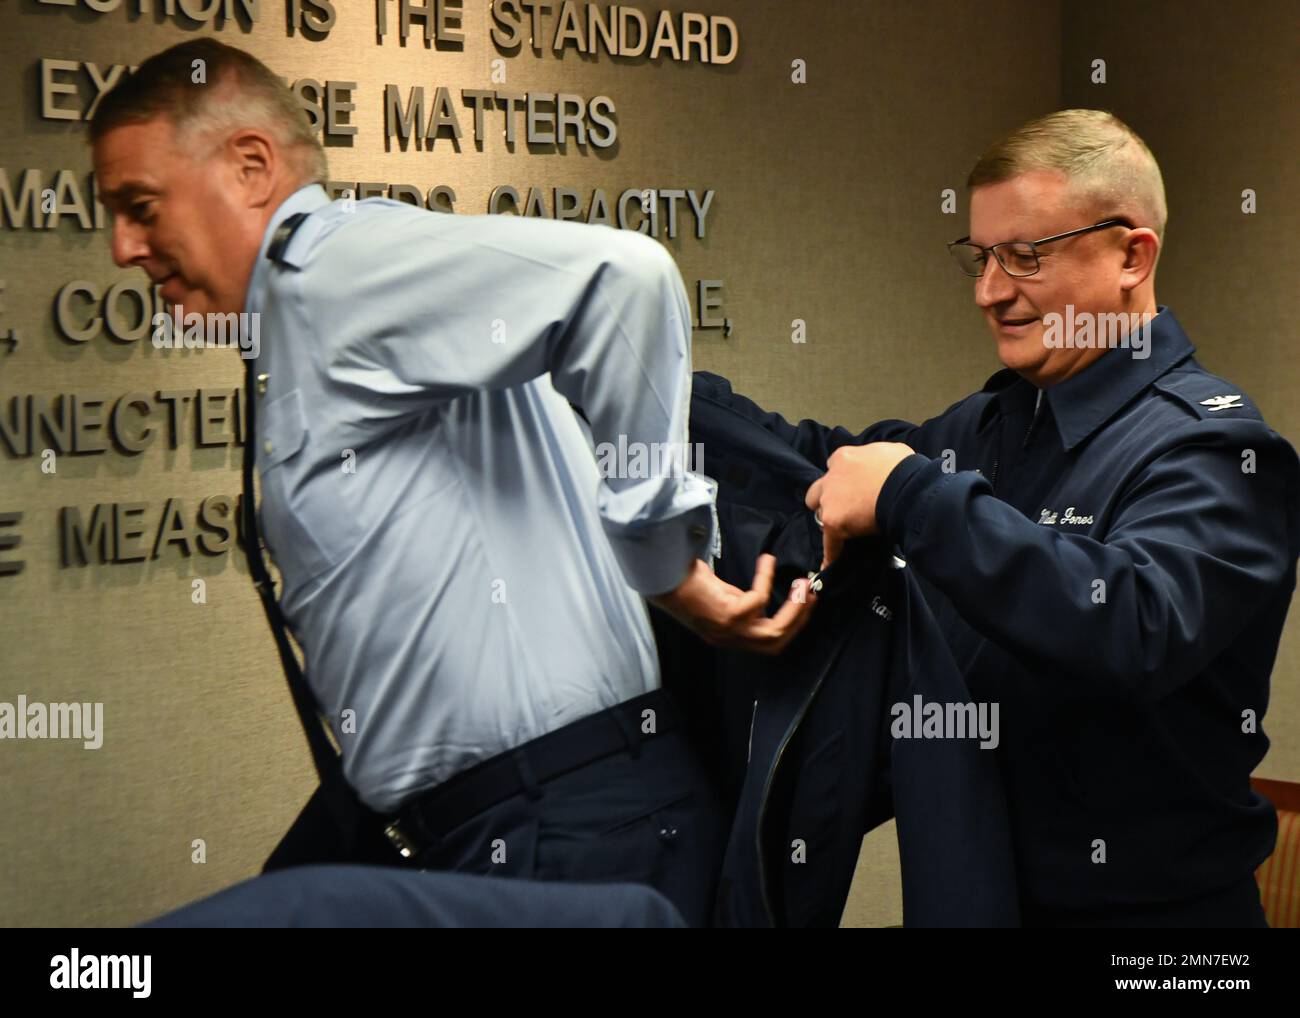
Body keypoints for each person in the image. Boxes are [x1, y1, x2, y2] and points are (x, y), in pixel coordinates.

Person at [89, 38, 814, 928]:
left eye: (140, 205)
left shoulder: (329, 273)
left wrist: (663, 565)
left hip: (564, 830)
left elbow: (625, 279)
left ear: (249, 166)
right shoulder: (304, 309)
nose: (124, 247)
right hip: (513, 828)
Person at [739, 109, 1297, 926]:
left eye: (1024, 256)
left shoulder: (1214, 448)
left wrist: (912, 498)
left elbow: (1135, 622)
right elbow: (827, 460)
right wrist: (663, 394)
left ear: (1131, 255)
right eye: (981, 256)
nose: (989, 291)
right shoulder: (996, 425)